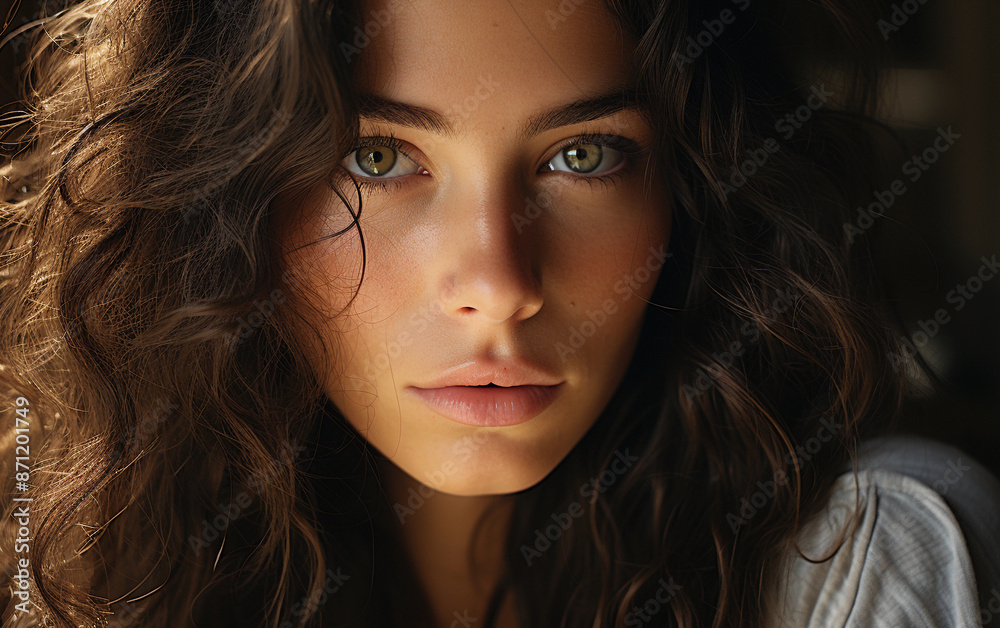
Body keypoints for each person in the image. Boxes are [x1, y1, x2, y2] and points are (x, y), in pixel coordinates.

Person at [1, 0, 998, 626]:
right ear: (218, 205)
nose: (499, 280)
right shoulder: (87, 565)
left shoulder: (856, 563)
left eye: (582, 155)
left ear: (691, 192)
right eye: (377, 158)